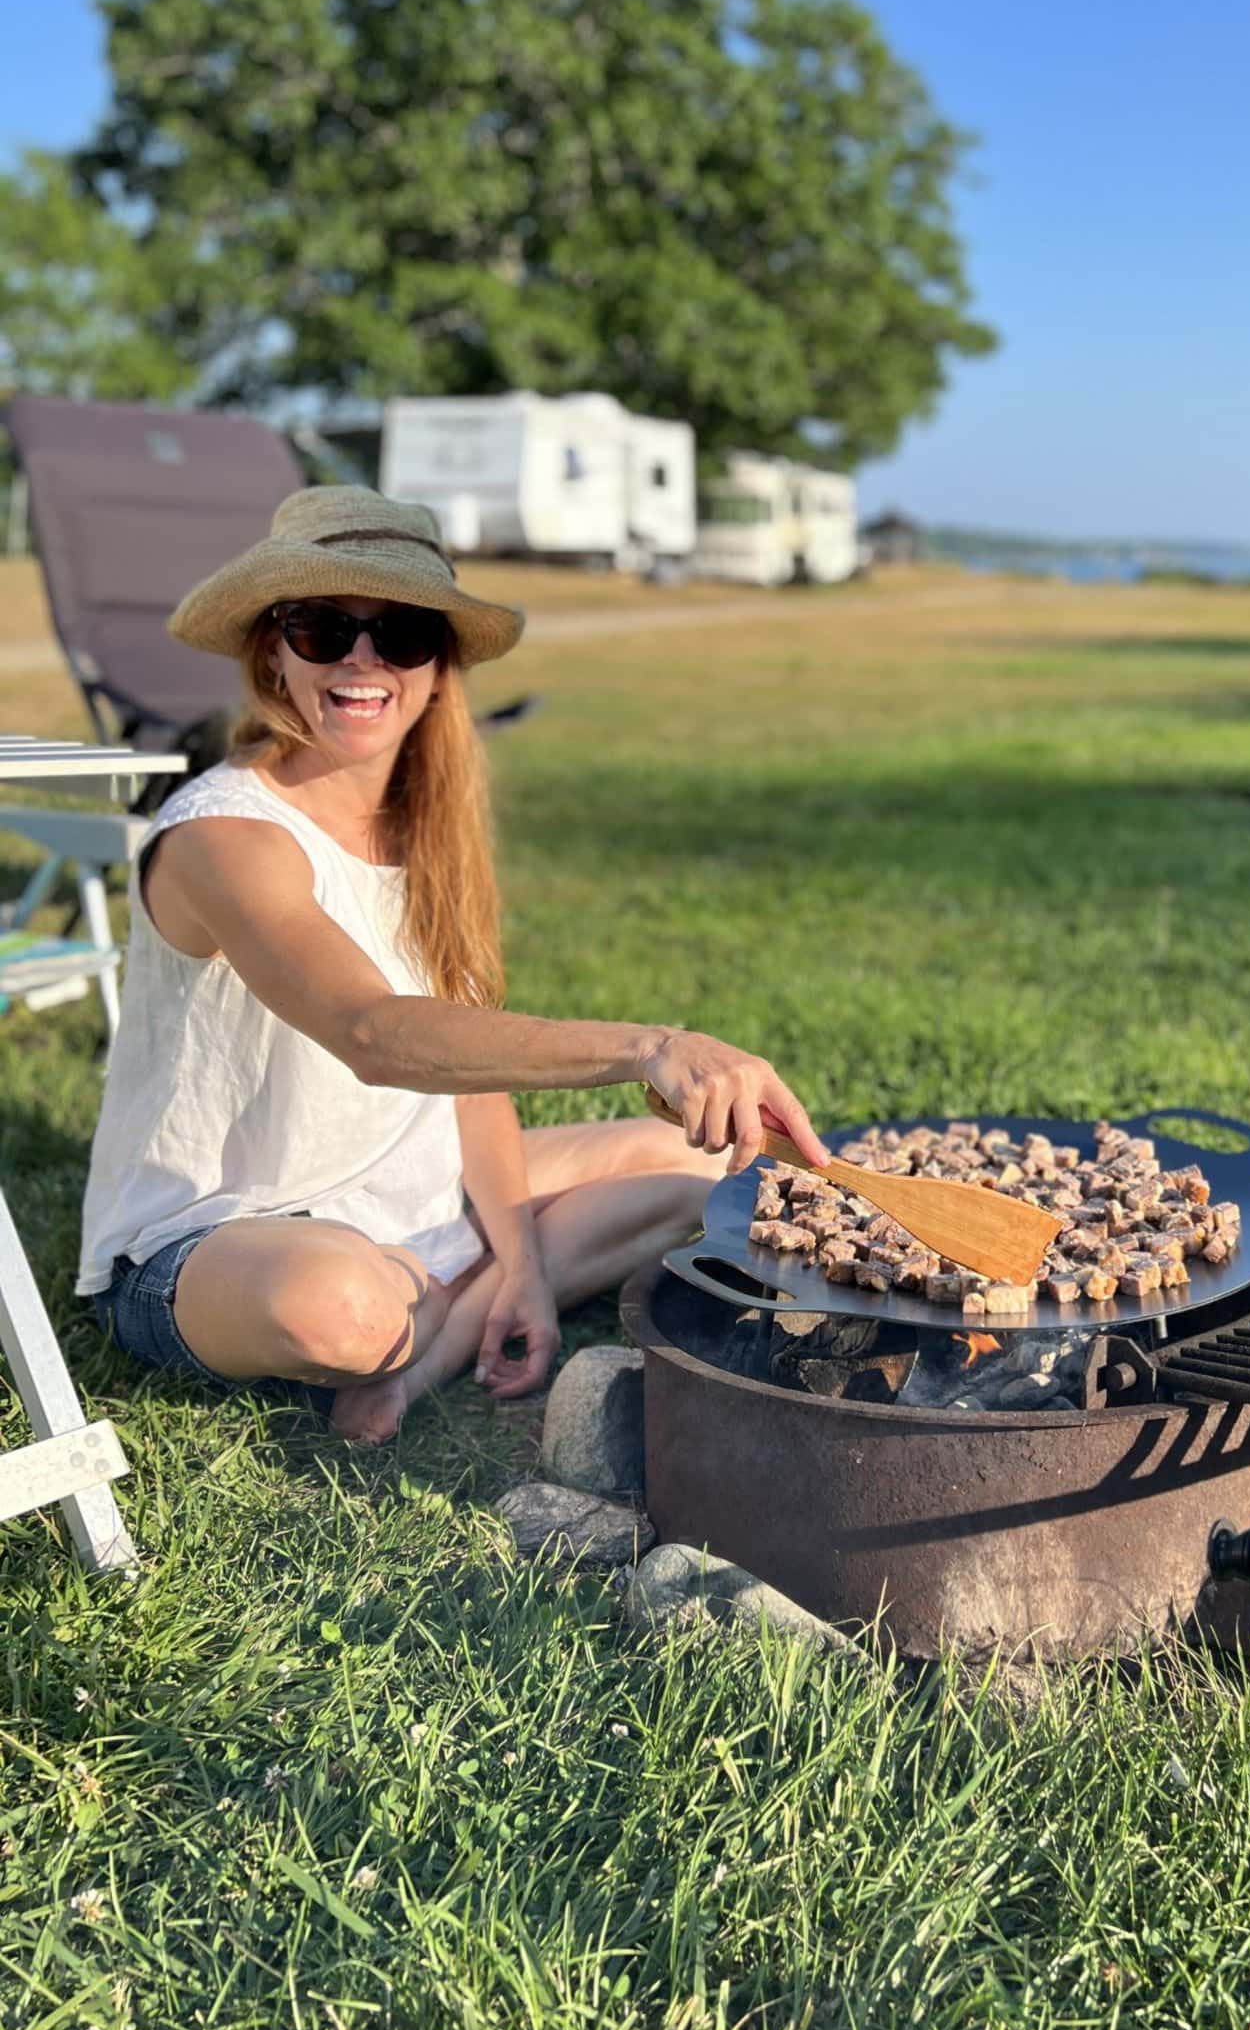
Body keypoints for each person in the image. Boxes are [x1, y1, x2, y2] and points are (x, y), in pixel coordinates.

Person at [78, 485, 828, 1443]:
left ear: (438, 669)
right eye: (321, 629)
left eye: (399, 633)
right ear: (272, 649)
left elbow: (463, 1070)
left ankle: (427, 1345)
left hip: (404, 1192)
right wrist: (649, 1047)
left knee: (716, 1161)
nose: (361, 660)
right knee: (340, 1308)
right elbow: (376, 1035)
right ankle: (417, 1323)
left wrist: (519, 1261)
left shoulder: (428, 834)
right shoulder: (225, 835)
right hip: (215, 1240)